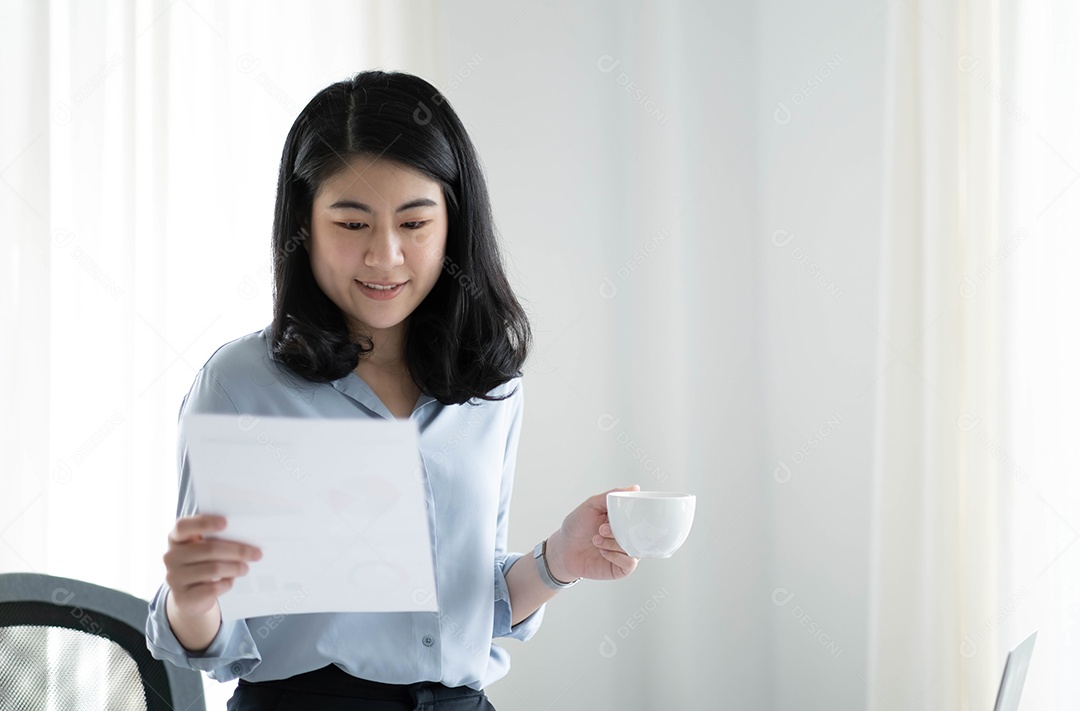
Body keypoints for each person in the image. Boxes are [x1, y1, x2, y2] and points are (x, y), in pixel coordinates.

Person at [144, 69, 639, 711]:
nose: (385, 256)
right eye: (352, 225)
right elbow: (210, 636)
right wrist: (193, 597)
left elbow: (461, 608)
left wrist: (556, 561)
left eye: (414, 224)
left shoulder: (489, 387)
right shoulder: (242, 385)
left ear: (453, 224)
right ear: (305, 223)